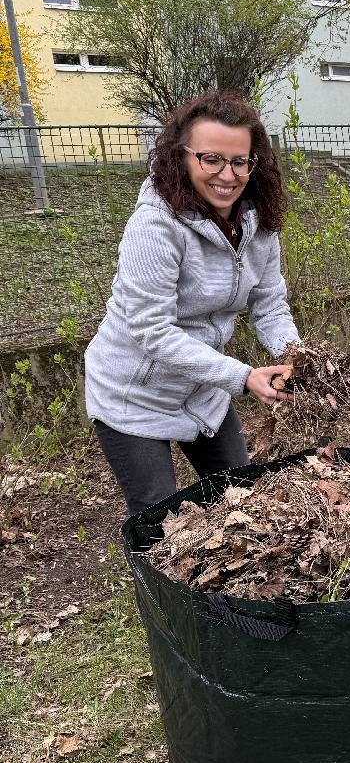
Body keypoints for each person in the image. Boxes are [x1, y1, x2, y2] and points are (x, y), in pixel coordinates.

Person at [85, 90, 300, 517]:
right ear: (181, 157)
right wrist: (243, 377)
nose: (228, 174)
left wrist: (294, 357)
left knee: (243, 501)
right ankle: (158, 586)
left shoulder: (258, 222)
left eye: (240, 161)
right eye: (211, 159)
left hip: (203, 389)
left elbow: (270, 304)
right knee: (158, 522)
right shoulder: (155, 225)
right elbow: (154, 333)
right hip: (134, 394)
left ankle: (230, 585)